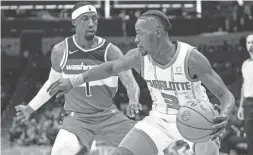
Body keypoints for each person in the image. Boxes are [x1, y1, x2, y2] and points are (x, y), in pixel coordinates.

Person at [47, 10, 235, 155]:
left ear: (158, 32)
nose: (136, 39)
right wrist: (74, 80)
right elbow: (110, 68)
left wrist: (224, 114)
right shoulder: (138, 57)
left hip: (196, 118)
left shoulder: (191, 58)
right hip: (160, 119)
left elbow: (225, 95)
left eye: (140, 34)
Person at [15, 2, 141, 155]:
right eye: (85, 19)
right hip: (77, 118)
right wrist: (30, 108)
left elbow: (130, 82)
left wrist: (133, 100)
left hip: (108, 115)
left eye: (94, 19)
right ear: (74, 22)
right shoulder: (61, 51)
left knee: (148, 146)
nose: (91, 23)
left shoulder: (111, 51)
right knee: (59, 152)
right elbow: (52, 84)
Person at [237, 33, 253, 155]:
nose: (251, 45)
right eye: (248, 42)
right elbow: (244, 86)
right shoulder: (245, 64)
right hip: (248, 104)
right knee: (250, 137)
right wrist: (241, 106)